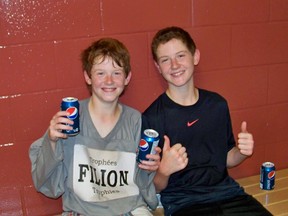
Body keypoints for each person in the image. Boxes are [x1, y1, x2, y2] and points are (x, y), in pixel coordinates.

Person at [142, 26, 272, 216]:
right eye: (165, 60)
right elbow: (154, 188)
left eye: (180, 55)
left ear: (195, 56)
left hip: (230, 195)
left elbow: (226, 158)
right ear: (158, 67)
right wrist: (164, 170)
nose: (175, 65)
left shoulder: (217, 104)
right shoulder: (151, 118)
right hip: (185, 204)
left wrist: (241, 152)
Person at [29, 38, 160, 216]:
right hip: (81, 211)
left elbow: (142, 181)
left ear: (127, 78)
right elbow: (44, 183)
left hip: (129, 209)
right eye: (100, 73)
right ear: (87, 77)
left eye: (116, 73)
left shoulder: (135, 120)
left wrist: (151, 167)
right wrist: (51, 142)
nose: (109, 80)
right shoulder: (69, 120)